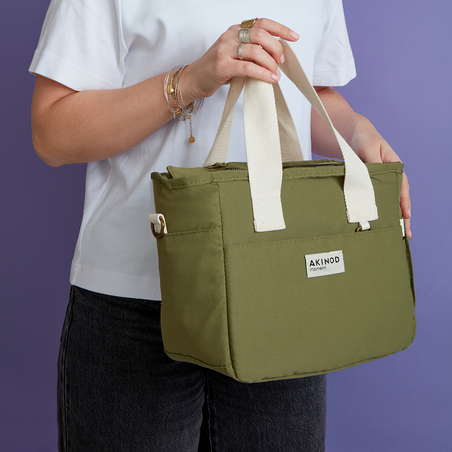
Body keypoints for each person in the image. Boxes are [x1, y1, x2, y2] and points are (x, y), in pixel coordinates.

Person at [30, 0, 411, 450]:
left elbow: (310, 92)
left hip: (280, 294)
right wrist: (189, 81)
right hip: (137, 300)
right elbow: (52, 134)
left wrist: (358, 130)